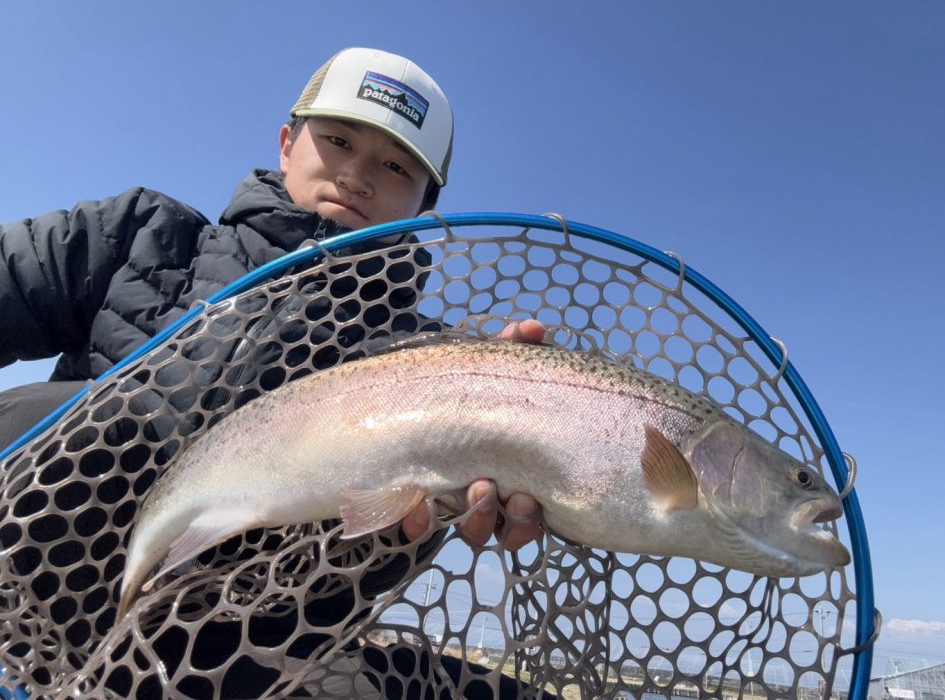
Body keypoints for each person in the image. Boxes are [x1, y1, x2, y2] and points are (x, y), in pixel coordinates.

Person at [0, 46, 543, 696]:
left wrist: (502, 442)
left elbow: (380, 544)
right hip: (43, 613)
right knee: (42, 419)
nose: (358, 176)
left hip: (258, 659)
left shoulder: (428, 360)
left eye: (397, 165)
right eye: (338, 140)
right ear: (287, 144)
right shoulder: (136, 235)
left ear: (426, 206)